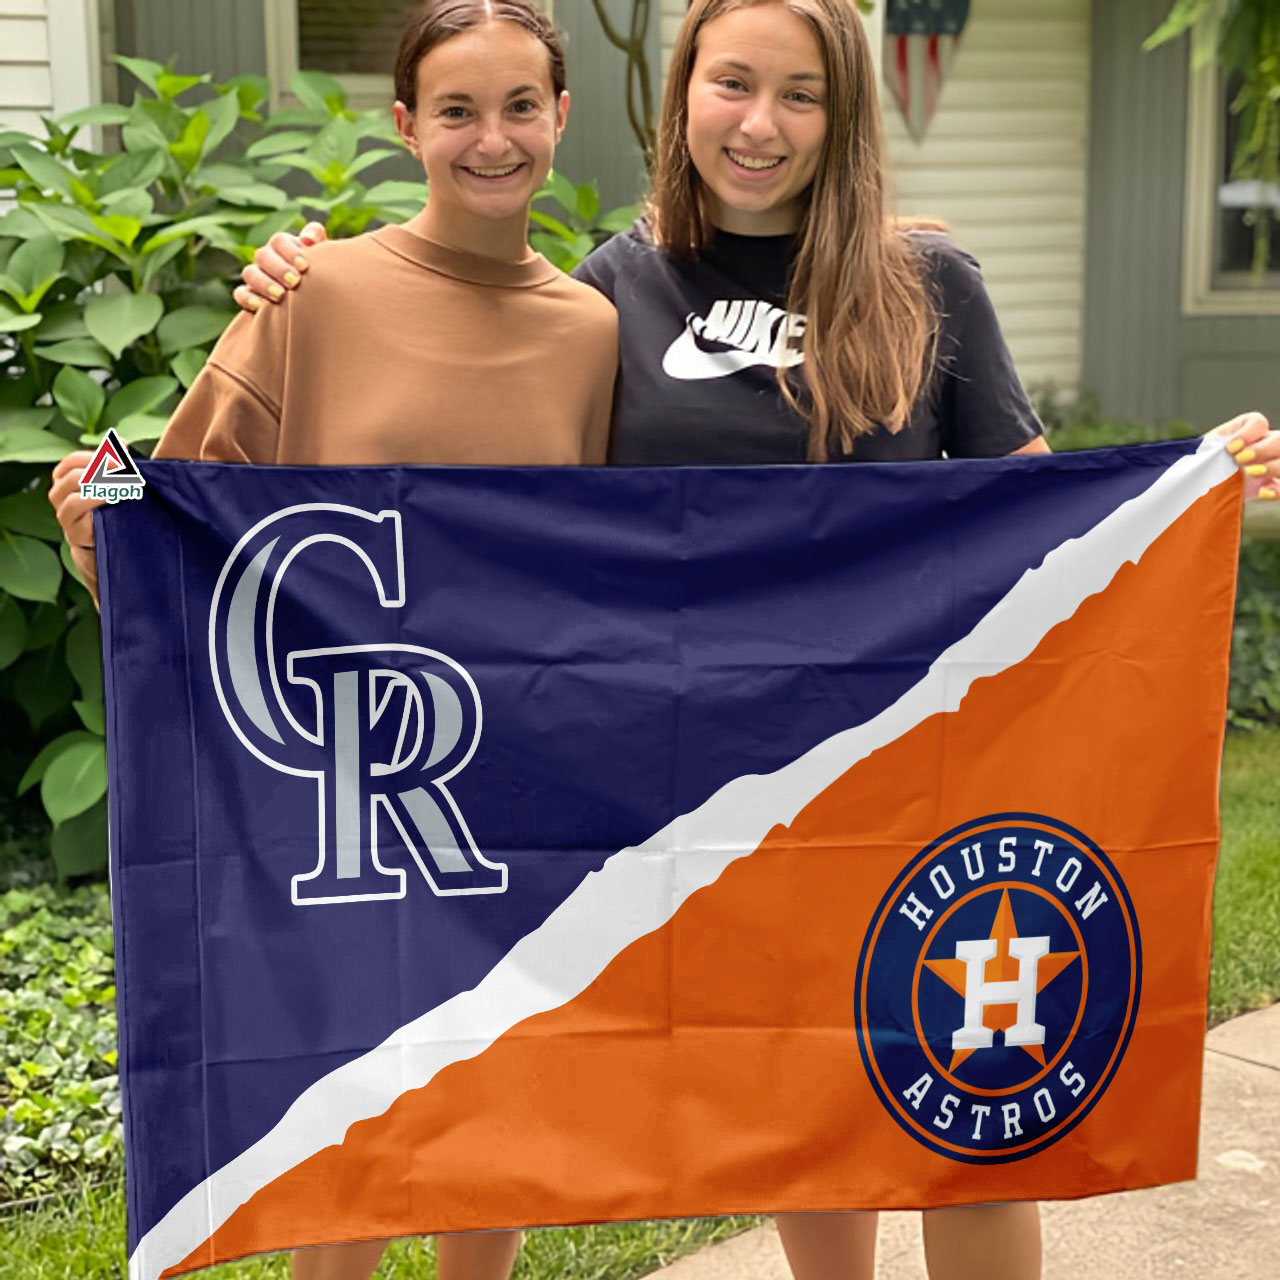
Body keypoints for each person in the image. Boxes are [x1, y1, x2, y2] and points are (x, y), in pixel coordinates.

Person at [228, 1, 1280, 1277]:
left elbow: (1033, 518)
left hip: (913, 769)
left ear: (843, 117)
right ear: (683, 96)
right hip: (718, 788)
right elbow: (522, 504)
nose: (760, 123)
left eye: (800, 94)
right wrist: (302, 284)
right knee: (806, 1106)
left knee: (958, 1112)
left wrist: (1180, 490)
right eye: (732, 83)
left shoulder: (925, 283)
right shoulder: (614, 292)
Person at [48, 4, 616, 1279]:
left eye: (520, 107)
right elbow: (174, 509)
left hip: (508, 782)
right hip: (337, 790)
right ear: (403, 123)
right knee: (347, 1110)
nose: (491, 139)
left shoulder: (591, 331)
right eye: (456, 111)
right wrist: (96, 534)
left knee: (490, 1101)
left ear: (560, 118)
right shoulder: (317, 291)